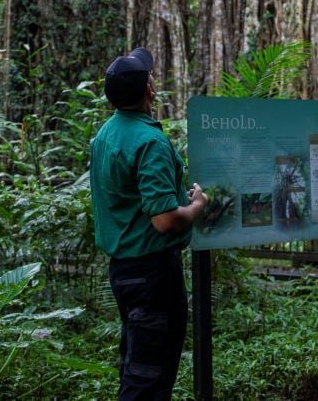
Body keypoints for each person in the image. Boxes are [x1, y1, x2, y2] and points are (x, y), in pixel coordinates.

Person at [89, 47, 209, 400]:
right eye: (150, 78)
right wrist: (197, 204)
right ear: (149, 90)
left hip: (123, 271)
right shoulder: (149, 141)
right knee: (150, 377)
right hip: (153, 273)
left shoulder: (106, 135)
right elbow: (166, 220)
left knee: (136, 364)